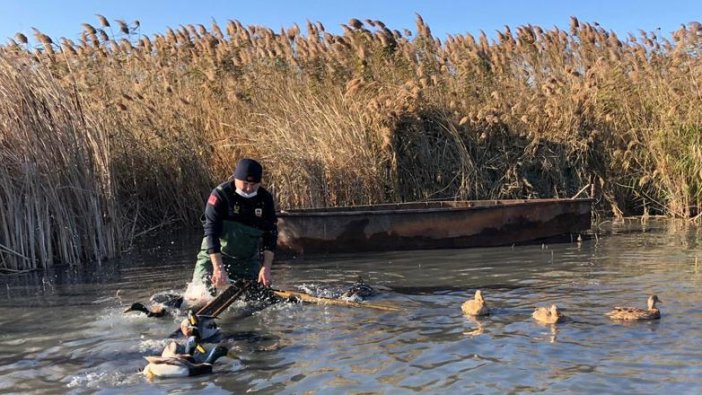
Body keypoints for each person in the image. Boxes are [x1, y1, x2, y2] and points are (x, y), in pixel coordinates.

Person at [191, 158, 278, 295]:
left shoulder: (265, 199)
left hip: (247, 262)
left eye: (253, 184)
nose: (249, 188)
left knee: (258, 296)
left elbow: (271, 235)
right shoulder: (221, 195)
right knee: (200, 296)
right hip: (214, 258)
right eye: (245, 183)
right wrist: (218, 268)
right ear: (235, 178)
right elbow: (211, 233)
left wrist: (266, 268)